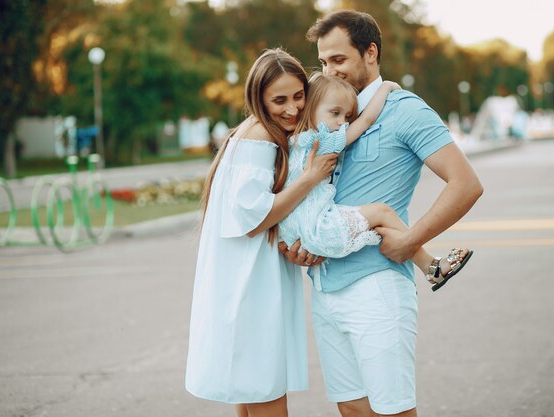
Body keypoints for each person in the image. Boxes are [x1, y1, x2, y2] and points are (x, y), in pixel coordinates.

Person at [280, 10, 484, 417]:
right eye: (322, 62)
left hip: (376, 289)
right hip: (323, 287)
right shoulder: (320, 110)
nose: (328, 70)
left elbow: (466, 184)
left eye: (338, 59)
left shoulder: (405, 109)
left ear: (370, 52)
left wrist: (410, 239)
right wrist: (299, 244)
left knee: (393, 411)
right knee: (353, 409)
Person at [185, 48, 339, 417]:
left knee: (251, 387)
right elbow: (255, 219)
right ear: (259, 98)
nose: (293, 109)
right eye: (279, 100)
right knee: (264, 386)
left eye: (299, 96)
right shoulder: (259, 141)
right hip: (250, 284)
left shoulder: (251, 132)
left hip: (245, 278)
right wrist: (311, 178)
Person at [279, 72, 473, 291]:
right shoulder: (323, 140)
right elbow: (366, 121)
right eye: (335, 113)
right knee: (383, 213)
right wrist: (386, 87)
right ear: (310, 107)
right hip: (319, 226)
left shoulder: (292, 140)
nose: (342, 122)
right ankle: (430, 265)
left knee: (378, 223)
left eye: (346, 117)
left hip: (298, 230)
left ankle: (431, 266)